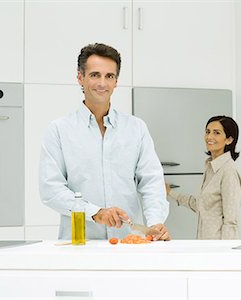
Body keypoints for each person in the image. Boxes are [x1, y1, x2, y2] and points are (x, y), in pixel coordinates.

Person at [39, 43, 170, 241]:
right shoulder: (59, 130)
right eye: (95, 75)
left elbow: (152, 182)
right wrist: (95, 212)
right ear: (80, 78)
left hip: (130, 243)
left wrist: (155, 223)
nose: (102, 83)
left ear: (116, 81)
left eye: (109, 76)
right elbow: (51, 190)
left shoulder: (136, 128)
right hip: (80, 245)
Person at [166, 116, 241, 239]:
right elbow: (200, 205)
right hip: (204, 243)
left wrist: (226, 254)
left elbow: (231, 221)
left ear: (229, 140)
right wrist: (171, 192)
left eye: (216, 133)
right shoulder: (210, 167)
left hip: (218, 249)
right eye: (207, 132)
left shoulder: (228, 171)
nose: (209, 137)